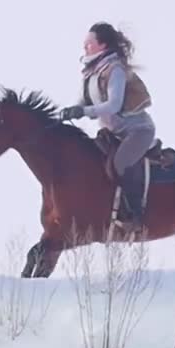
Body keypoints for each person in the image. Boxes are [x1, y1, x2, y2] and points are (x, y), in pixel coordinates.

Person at [59, 21, 156, 228]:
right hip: (113, 132)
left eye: (89, 43)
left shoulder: (115, 69)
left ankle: (135, 216)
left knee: (120, 163)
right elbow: (83, 101)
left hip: (138, 131)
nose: (85, 47)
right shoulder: (90, 72)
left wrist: (84, 112)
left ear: (102, 45)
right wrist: (71, 110)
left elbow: (113, 105)